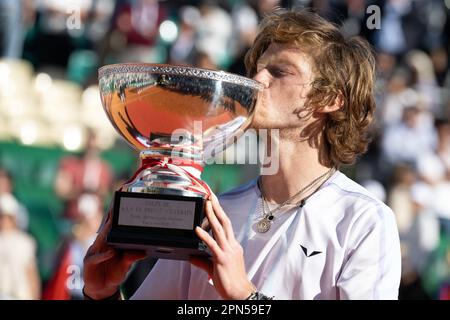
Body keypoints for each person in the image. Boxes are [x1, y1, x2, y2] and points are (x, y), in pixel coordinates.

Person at [83, 9, 401, 300]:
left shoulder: (364, 220)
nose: (257, 81)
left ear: (330, 99)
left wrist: (247, 299)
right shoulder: (212, 214)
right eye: (259, 70)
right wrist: (104, 295)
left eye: (280, 72)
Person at [0, 193, 40, 300]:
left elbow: (31, 272)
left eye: (7, 217)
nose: (4, 221)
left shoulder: (25, 242)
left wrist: (35, 296)